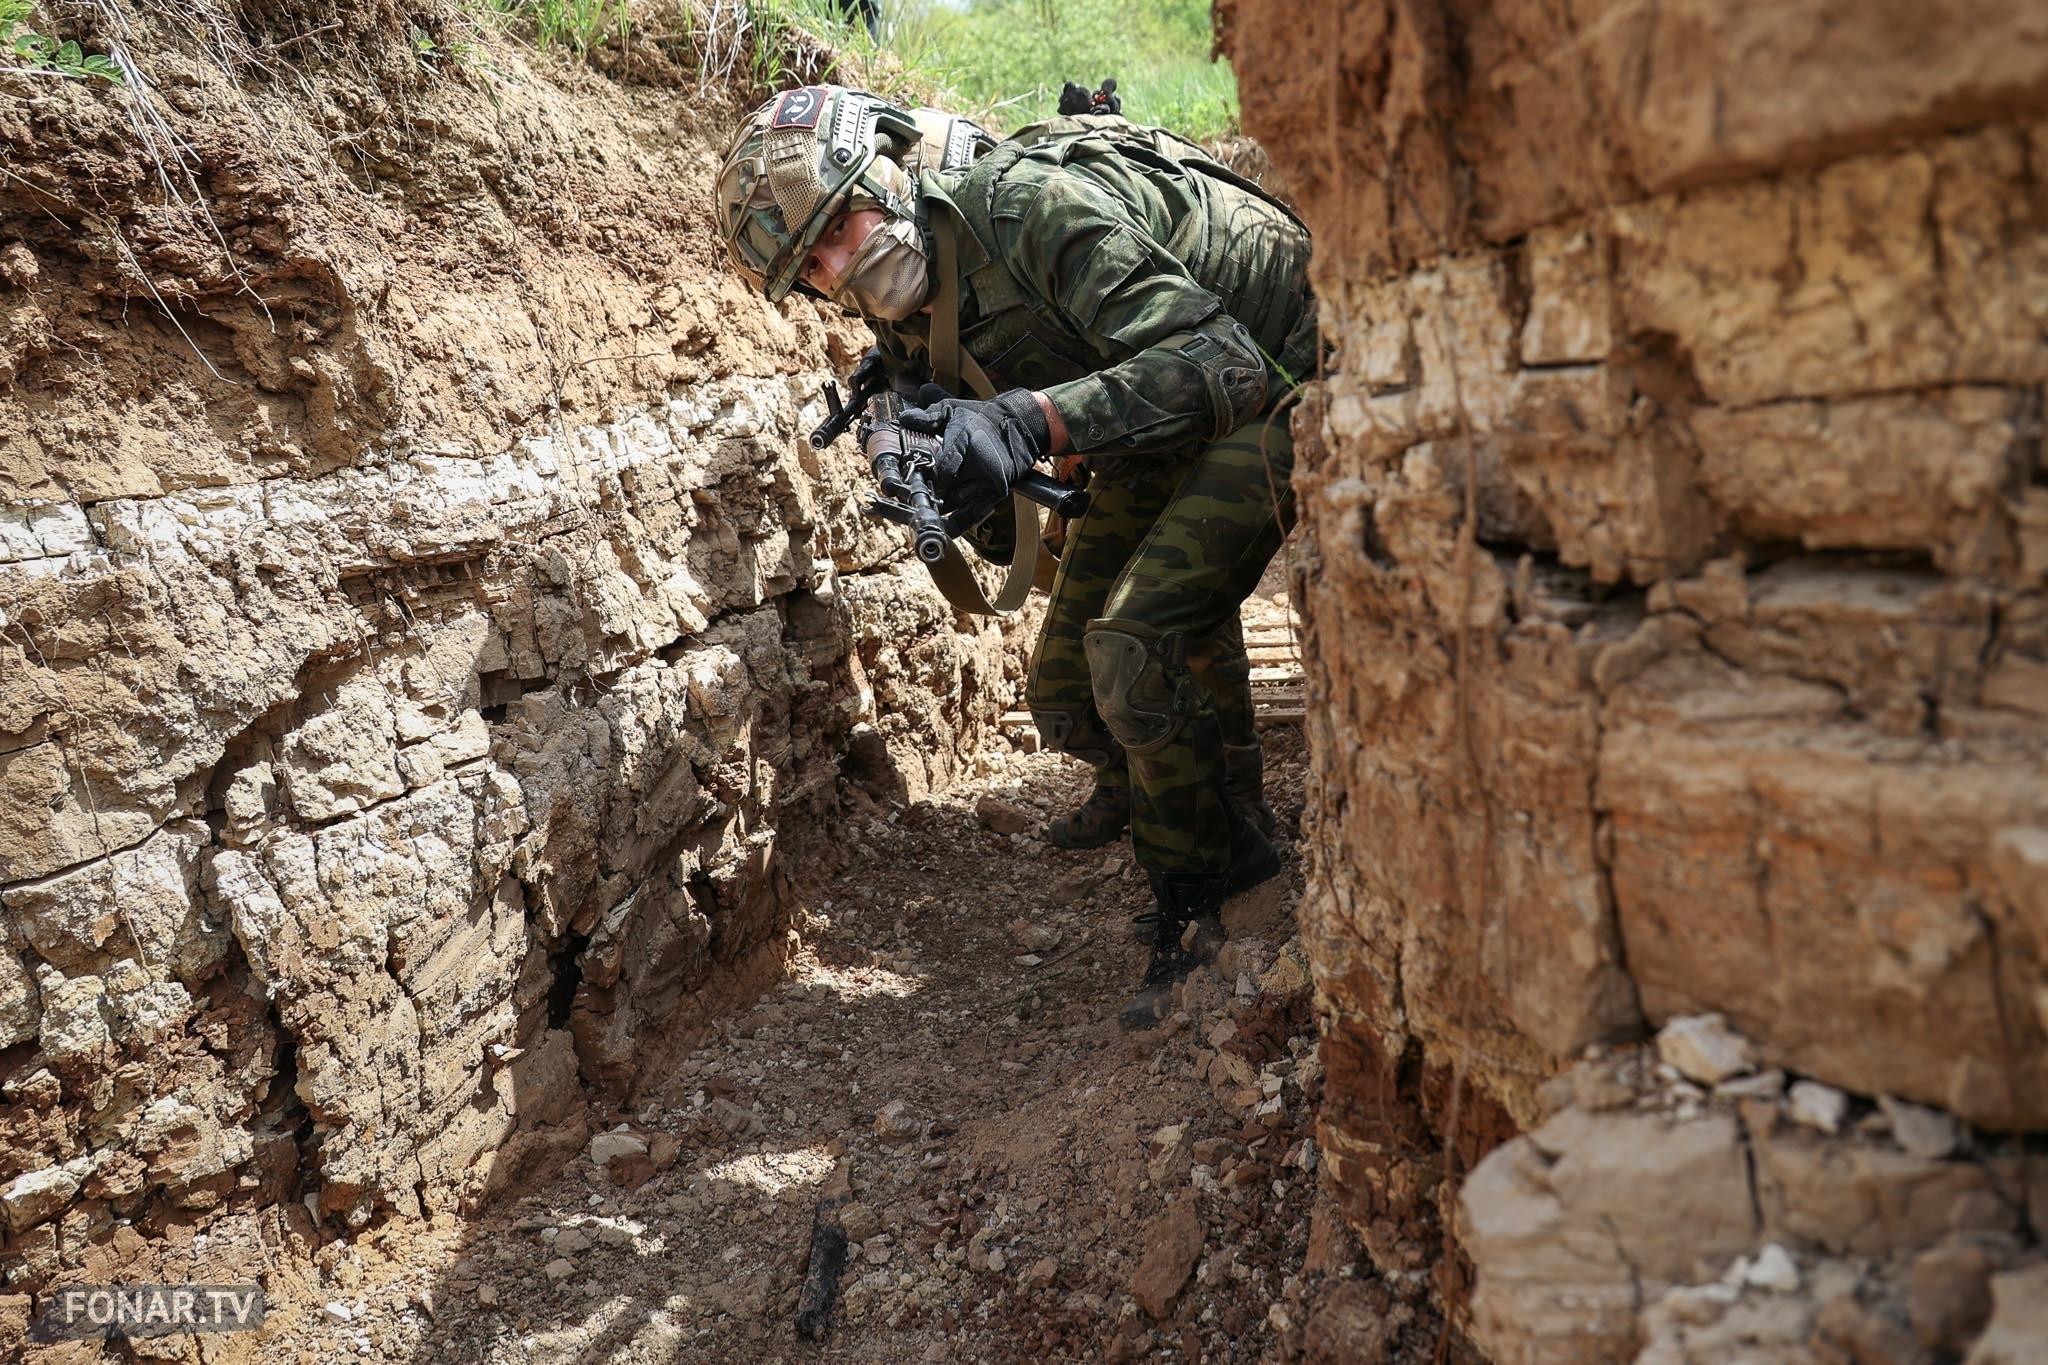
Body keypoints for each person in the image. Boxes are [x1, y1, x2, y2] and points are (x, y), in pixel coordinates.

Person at [715, 86, 1316, 1028]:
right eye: (814, 268)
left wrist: (1028, 418)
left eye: (839, 227)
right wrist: (949, 461)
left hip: (1287, 372)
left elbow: (1222, 360)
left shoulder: (1023, 208)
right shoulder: (909, 300)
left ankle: (1211, 893)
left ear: (884, 171)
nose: (840, 270)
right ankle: (1174, 792)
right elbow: (1001, 517)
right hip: (1174, 411)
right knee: (1068, 691)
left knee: (1134, 641)